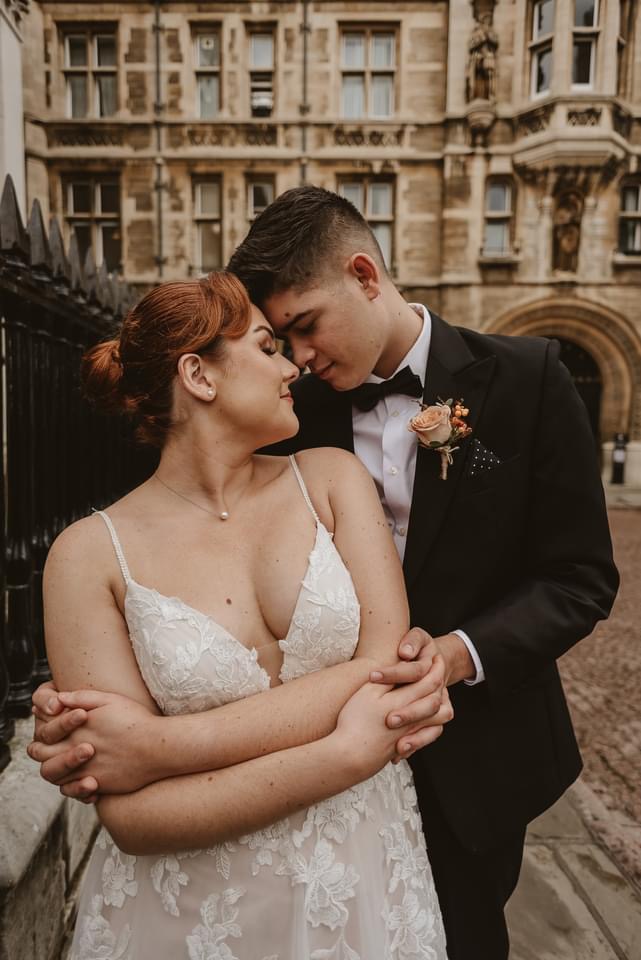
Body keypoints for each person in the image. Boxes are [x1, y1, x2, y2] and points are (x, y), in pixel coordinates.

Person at [32, 186, 619, 959]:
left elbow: (579, 575)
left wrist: (455, 653)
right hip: (253, 795)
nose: (297, 358)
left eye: (303, 328)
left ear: (364, 274)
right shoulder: (288, 410)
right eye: (277, 340)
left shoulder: (529, 375)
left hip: (476, 755)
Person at [36, 271, 451, 959]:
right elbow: (135, 820)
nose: (293, 366)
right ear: (198, 375)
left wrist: (158, 747)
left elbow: (384, 671)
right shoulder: (86, 557)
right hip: (189, 917)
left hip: (358, 882)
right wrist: (343, 751)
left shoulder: (330, 480)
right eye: (267, 347)